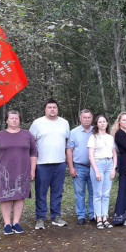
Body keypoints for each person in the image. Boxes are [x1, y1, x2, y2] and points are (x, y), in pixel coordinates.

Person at [0, 110, 38, 235]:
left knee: (20, 196)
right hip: (4, 171)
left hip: (22, 170)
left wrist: (32, 169)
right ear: (6, 120)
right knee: (5, 197)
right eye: (11, 118)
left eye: (16, 118)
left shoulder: (27, 135)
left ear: (19, 120)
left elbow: (34, 153)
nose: (14, 120)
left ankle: (16, 222)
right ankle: (7, 224)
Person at [30, 99, 70, 230]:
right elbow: (30, 142)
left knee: (57, 192)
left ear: (58, 109)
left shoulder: (64, 123)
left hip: (60, 163)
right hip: (42, 164)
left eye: (54, 107)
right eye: (49, 107)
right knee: (41, 192)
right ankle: (40, 218)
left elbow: (66, 142)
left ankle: (56, 216)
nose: (52, 109)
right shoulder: (38, 123)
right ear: (45, 109)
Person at [88, 115, 117, 230]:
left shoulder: (110, 137)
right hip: (98, 164)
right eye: (100, 122)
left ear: (107, 123)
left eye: (104, 121)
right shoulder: (93, 137)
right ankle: (98, 218)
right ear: (96, 124)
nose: (102, 123)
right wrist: (96, 171)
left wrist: (114, 168)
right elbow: (91, 155)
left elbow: (114, 154)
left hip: (109, 164)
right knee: (98, 193)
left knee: (106, 194)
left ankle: (105, 217)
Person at [66, 109, 94, 225]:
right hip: (79, 166)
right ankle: (81, 215)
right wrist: (71, 167)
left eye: (89, 117)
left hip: (94, 167)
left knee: (93, 192)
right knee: (79, 192)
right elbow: (69, 150)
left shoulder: (96, 131)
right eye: (84, 117)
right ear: (80, 119)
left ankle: (93, 214)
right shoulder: (74, 132)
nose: (87, 119)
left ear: (92, 119)